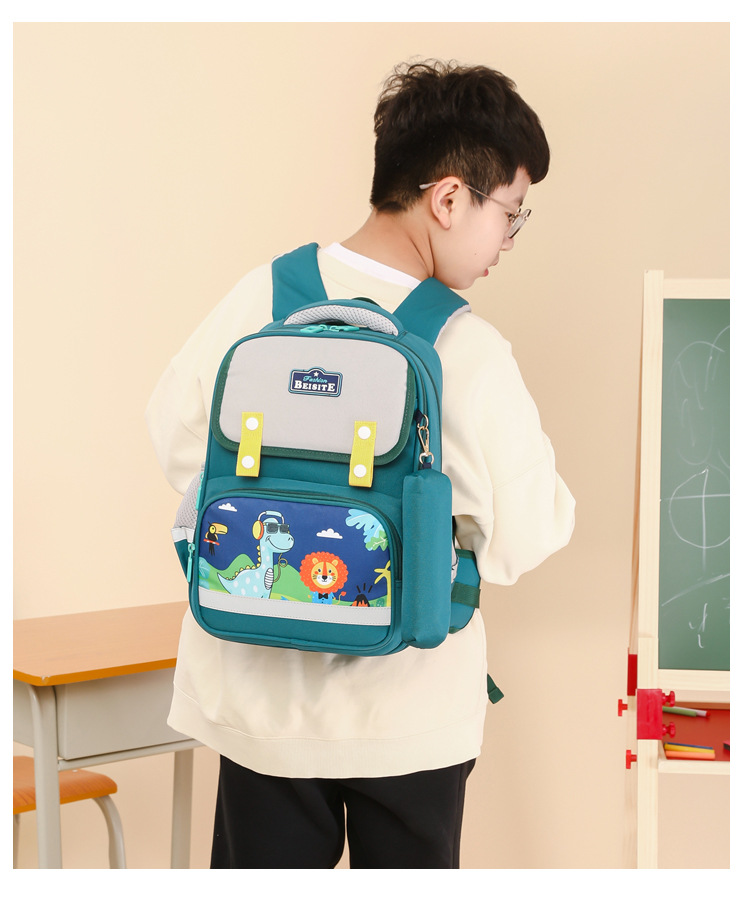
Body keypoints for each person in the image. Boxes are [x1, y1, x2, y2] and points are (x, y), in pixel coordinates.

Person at [146, 59, 575, 869]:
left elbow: (175, 441)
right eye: (509, 214)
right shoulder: (467, 349)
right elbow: (527, 535)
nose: (507, 242)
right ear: (449, 199)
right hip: (408, 719)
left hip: (257, 702)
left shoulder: (261, 298)